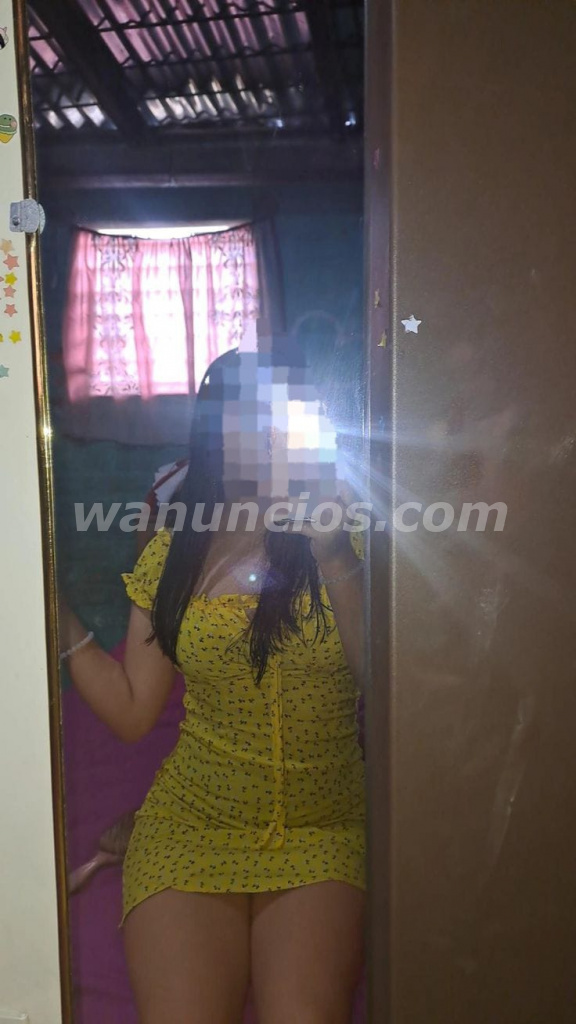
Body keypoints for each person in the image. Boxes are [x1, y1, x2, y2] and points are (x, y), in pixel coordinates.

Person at [59, 345, 366, 1024]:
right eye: (244, 415)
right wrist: (57, 611)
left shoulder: (349, 529)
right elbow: (134, 710)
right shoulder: (174, 552)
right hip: (193, 824)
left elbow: (385, 682)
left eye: (280, 416)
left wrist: (334, 551)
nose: (264, 434)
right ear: (213, 435)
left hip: (319, 829)